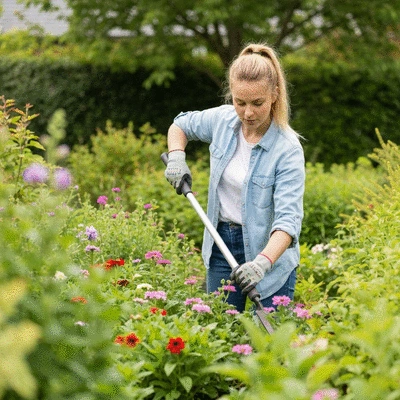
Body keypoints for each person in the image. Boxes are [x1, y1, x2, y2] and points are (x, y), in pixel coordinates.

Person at [164, 43, 305, 312]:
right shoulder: (223, 121)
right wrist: (176, 156)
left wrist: (262, 262)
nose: (248, 113)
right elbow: (179, 125)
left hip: (269, 257)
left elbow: (288, 223)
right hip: (221, 246)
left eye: (257, 103)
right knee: (221, 330)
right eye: (240, 102)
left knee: (265, 347)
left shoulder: (287, 149)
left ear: (274, 94)